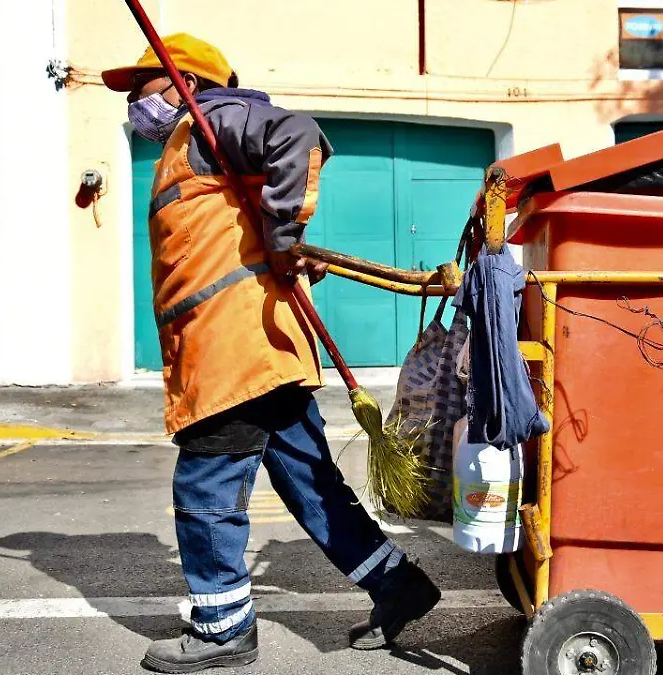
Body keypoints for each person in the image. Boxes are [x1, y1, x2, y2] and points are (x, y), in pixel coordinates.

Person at [101, 34, 440, 673]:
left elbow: (297, 134)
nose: (133, 104)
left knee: (206, 487)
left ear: (185, 84)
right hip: (259, 351)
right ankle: (398, 585)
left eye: (141, 87)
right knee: (312, 482)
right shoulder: (196, 144)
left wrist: (284, 234)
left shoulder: (209, 123)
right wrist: (277, 240)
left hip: (235, 356)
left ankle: (223, 629)